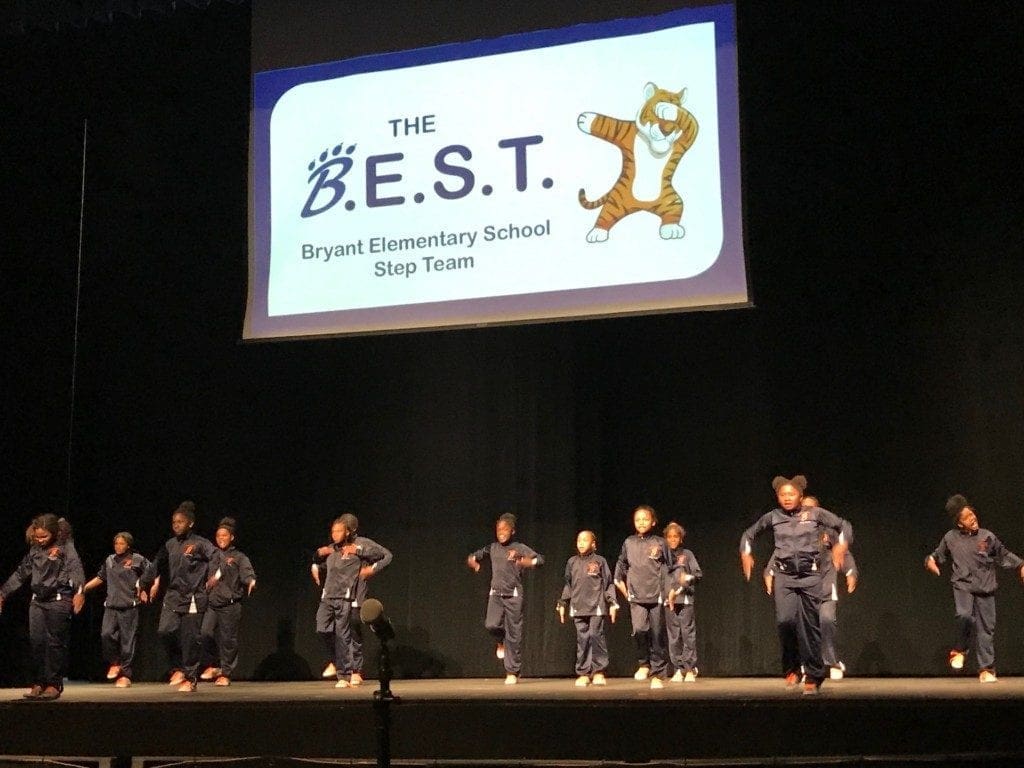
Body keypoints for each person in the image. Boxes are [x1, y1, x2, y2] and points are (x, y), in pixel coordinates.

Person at [740, 475, 852, 694]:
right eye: (783, 495)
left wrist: (841, 544)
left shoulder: (815, 514)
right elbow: (748, 534)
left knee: (810, 626)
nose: (787, 498)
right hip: (785, 577)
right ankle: (792, 668)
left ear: (800, 496)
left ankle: (814, 674)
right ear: (777, 497)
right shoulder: (773, 517)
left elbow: (844, 525)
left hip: (810, 578)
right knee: (785, 622)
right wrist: (746, 552)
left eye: (792, 494)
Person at [925, 493, 1024, 683]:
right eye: (967, 517)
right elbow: (937, 554)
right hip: (963, 585)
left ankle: (986, 669)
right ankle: (960, 650)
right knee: (964, 615)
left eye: (973, 515)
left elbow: (1003, 554)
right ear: (960, 523)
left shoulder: (987, 537)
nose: (973, 518)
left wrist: (1020, 565)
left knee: (986, 629)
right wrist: (930, 560)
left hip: (985, 588)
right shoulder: (951, 537)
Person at [763, 495, 858, 681]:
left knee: (826, 620)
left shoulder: (827, 532)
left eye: (810, 509)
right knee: (802, 627)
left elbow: (843, 551)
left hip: (824, 588)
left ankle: (830, 661)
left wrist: (850, 572)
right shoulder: (792, 533)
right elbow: (779, 554)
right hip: (803, 589)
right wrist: (769, 573)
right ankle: (807, 664)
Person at [140, 500, 219, 692]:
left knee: (190, 639)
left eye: (180, 522)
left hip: (193, 596)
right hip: (173, 595)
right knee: (165, 631)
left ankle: (190, 678)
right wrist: (143, 583)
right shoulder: (169, 545)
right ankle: (178, 667)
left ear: (190, 523)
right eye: (174, 522)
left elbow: (216, 557)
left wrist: (213, 576)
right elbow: (155, 564)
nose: (176, 525)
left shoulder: (200, 543)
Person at [1, 514, 77, 699]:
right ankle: (39, 682)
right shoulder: (34, 551)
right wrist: (3, 593)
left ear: (53, 534)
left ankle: (53, 684)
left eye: (44, 537)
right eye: (37, 537)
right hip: (37, 601)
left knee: (54, 643)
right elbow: (20, 574)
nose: (40, 540)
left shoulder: (65, 548)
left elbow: (76, 569)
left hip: (58, 600)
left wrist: (80, 592)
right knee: (37, 642)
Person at [312, 513, 392, 688]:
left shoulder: (362, 544)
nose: (338, 533)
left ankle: (355, 670)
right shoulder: (336, 548)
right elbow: (329, 561)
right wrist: (316, 564)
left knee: (352, 629)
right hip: (338, 593)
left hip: (356, 592)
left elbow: (386, 555)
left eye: (343, 529)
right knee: (336, 631)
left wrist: (372, 568)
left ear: (350, 530)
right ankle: (342, 663)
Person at [467, 512, 544, 685]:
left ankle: (512, 672)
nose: (501, 532)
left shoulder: (519, 547)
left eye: (505, 529)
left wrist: (528, 562)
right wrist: (473, 560)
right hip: (495, 594)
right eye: (498, 529)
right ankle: (499, 641)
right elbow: (476, 555)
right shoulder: (492, 547)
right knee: (491, 624)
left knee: (514, 634)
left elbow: (540, 559)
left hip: (513, 595)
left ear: (513, 531)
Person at [614, 505, 673, 689]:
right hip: (636, 596)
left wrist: (669, 590)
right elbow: (621, 566)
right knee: (639, 630)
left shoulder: (660, 543)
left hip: (656, 595)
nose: (641, 522)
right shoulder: (629, 542)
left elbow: (670, 567)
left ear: (653, 522)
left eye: (645, 519)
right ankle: (644, 663)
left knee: (656, 633)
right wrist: (625, 590)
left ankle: (658, 672)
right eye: (638, 519)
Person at [81, 531, 150, 688]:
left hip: (129, 607)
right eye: (116, 543)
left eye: (122, 543)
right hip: (111, 606)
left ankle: (126, 675)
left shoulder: (136, 559)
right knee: (106, 635)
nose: (118, 546)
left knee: (127, 641)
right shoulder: (109, 560)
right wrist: (84, 588)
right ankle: (115, 662)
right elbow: (101, 577)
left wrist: (144, 587)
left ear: (128, 545)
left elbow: (151, 571)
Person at [199, 517, 256, 686]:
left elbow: (247, 573)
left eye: (224, 535)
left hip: (230, 605)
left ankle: (226, 673)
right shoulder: (212, 556)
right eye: (218, 535)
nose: (221, 538)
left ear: (231, 537)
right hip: (212, 603)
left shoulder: (239, 557)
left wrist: (251, 581)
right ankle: (215, 664)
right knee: (204, 633)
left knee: (228, 640)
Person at [556, 530, 618, 686]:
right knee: (582, 639)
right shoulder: (572, 562)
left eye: (585, 540)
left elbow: (608, 584)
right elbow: (568, 585)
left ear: (594, 544)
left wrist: (612, 602)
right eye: (579, 540)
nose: (581, 543)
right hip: (578, 607)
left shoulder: (600, 561)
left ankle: (598, 671)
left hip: (596, 606)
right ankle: (583, 672)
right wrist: (563, 602)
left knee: (596, 636)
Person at [663, 521, 701, 683]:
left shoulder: (687, 554)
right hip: (668, 602)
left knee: (687, 634)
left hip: (684, 600)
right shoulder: (662, 556)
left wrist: (686, 579)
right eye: (669, 537)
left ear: (680, 538)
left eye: (675, 536)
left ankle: (689, 668)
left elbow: (697, 574)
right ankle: (678, 669)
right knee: (674, 636)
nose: (672, 539)